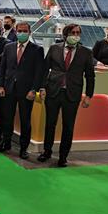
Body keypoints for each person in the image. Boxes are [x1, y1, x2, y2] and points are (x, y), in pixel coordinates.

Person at [38, 24, 95, 167]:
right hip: (53, 92)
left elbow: (90, 76)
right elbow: (44, 70)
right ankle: (47, 151)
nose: (75, 35)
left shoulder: (86, 53)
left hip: (73, 94)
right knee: (50, 124)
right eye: (72, 32)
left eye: (77, 33)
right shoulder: (54, 48)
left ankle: (63, 157)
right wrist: (42, 87)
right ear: (65, 35)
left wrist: (88, 96)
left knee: (68, 127)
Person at [0, 22, 44, 159]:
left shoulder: (37, 50)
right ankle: (6, 143)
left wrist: (33, 90)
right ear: (16, 32)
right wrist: (0, 86)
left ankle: (24, 148)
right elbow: (2, 69)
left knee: (25, 120)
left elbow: (39, 73)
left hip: (26, 91)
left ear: (30, 32)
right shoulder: (8, 47)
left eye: (25, 31)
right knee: (7, 118)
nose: (22, 33)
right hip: (9, 88)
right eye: (19, 31)